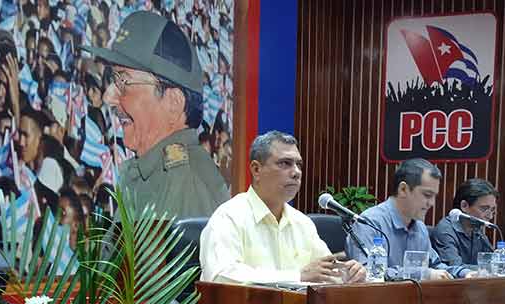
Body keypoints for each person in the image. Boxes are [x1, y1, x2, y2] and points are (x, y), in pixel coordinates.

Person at [84, 11, 230, 218]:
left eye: (123, 82)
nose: (108, 97)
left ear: (173, 103)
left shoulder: (186, 188)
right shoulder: (153, 176)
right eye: (113, 80)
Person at [200, 131, 366, 284]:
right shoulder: (229, 217)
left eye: (298, 165)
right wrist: (297, 276)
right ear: (256, 169)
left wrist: (348, 274)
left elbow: (323, 274)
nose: (296, 172)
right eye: (285, 163)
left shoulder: (302, 223)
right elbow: (221, 276)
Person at [345, 158, 469, 279]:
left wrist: (465, 273)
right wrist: (423, 274)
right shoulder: (369, 222)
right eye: (427, 195)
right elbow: (368, 273)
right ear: (403, 189)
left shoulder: (419, 227)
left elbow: (436, 266)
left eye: (434, 196)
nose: (432, 203)